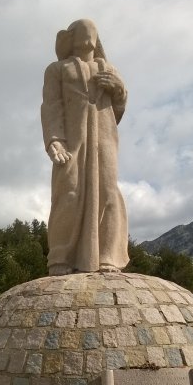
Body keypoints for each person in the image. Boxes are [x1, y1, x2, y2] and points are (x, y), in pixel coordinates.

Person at [41, 18, 129, 275]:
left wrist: (119, 89)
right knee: (69, 190)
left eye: (91, 29)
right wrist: (54, 140)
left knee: (107, 190)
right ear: (69, 38)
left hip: (104, 140)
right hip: (73, 142)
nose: (87, 32)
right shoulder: (57, 69)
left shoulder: (108, 68)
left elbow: (118, 109)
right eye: (80, 28)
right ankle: (60, 257)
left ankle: (108, 256)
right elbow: (51, 107)